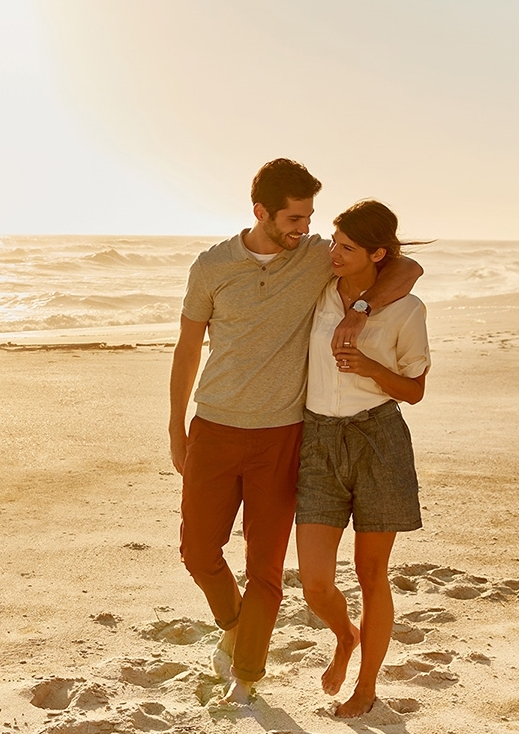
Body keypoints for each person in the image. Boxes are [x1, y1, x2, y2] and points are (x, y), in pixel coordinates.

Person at [169, 160, 423, 705]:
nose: (305, 230)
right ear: (260, 211)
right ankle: (235, 625)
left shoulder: (314, 258)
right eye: (294, 219)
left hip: (284, 434)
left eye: (309, 218)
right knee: (197, 552)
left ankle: (246, 675)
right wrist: (175, 426)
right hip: (214, 424)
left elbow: (405, 266)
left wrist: (360, 310)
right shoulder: (212, 266)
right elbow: (187, 348)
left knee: (266, 567)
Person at [294, 199, 430, 717]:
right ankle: (344, 636)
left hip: (379, 440)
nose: (334, 253)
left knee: (372, 573)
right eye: (334, 242)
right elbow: (406, 265)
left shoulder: (408, 310)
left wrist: (371, 367)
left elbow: (414, 391)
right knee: (314, 582)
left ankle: (366, 687)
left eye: (347, 247)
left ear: (376, 254)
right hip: (318, 439)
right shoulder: (320, 292)